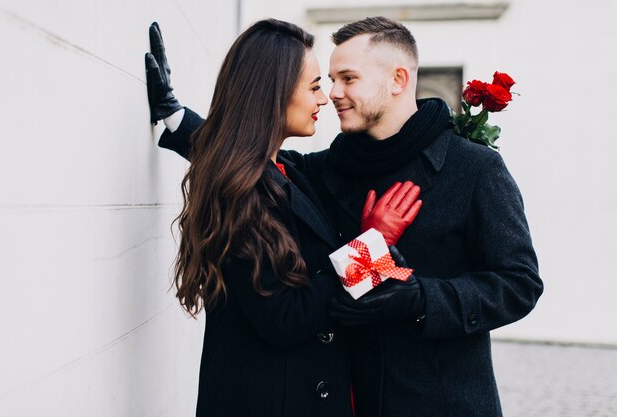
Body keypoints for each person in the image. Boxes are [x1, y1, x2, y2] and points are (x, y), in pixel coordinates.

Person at [147, 17, 543, 417]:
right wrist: (178, 119)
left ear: (398, 80)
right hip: (348, 399)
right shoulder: (333, 168)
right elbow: (254, 165)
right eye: (327, 80)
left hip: (439, 403)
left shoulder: (475, 169)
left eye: (348, 78)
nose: (333, 93)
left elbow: (520, 284)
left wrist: (425, 298)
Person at [145, 19, 422, 417]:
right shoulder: (237, 193)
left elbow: (232, 155)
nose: (325, 98)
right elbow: (286, 319)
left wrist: (176, 117)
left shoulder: (282, 169)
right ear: (272, 93)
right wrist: (372, 243)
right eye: (314, 86)